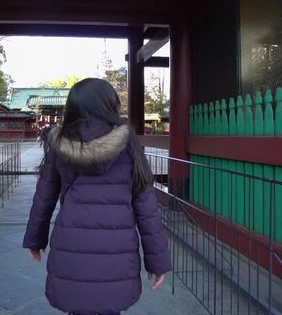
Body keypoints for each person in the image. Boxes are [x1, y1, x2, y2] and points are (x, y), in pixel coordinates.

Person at [23, 78, 172, 315]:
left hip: (72, 243)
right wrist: (158, 261)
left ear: (72, 107)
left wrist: (35, 239)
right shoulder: (129, 145)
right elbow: (147, 208)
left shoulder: (59, 145)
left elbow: (44, 197)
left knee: (77, 304)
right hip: (117, 248)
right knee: (110, 305)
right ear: (110, 105)